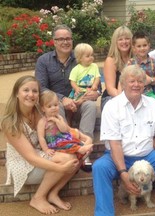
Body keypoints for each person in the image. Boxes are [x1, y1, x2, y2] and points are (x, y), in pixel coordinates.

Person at [92, 65, 155, 216]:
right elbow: (114, 144)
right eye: (132, 81)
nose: (136, 84)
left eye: (140, 81)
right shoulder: (112, 106)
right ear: (123, 83)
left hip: (147, 156)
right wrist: (123, 173)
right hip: (118, 155)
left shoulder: (153, 104)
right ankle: (104, 213)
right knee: (99, 167)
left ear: (144, 84)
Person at [1, 75, 80, 215]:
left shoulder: (38, 112)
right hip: (23, 164)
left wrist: (78, 140)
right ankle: (38, 198)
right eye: (26, 90)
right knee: (67, 160)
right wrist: (61, 167)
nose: (31, 94)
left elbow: (58, 133)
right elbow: (31, 158)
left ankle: (53, 194)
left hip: (41, 153)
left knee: (76, 156)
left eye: (35, 91)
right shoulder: (10, 122)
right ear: (16, 94)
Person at [35, 24, 100, 140]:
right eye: (61, 39)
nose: (65, 42)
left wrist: (96, 93)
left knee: (91, 106)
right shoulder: (44, 61)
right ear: (54, 42)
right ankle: (66, 143)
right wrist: (61, 99)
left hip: (80, 102)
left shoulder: (81, 58)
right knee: (56, 107)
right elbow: (41, 88)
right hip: (56, 104)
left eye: (68, 38)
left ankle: (86, 143)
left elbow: (97, 83)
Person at [37, 90, 93, 159]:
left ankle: (81, 153)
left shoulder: (59, 117)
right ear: (43, 109)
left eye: (55, 105)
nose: (53, 108)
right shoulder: (43, 122)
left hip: (63, 139)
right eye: (49, 106)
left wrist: (57, 121)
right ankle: (80, 150)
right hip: (54, 143)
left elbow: (64, 130)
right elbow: (41, 137)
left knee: (75, 142)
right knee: (67, 145)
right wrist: (46, 149)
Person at [127, 31, 155, 105]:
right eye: (139, 46)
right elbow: (125, 79)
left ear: (149, 46)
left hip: (149, 93)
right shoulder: (131, 63)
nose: (142, 48)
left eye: (144, 45)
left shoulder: (154, 62)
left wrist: (152, 80)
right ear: (134, 48)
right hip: (134, 93)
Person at [101, 26, 133, 110]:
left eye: (127, 38)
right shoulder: (111, 60)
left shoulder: (135, 59)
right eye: (120, 39)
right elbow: (110, 89)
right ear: (115, 42)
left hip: (132, 97)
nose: (124, 42)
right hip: (112, 97)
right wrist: (125, 100)